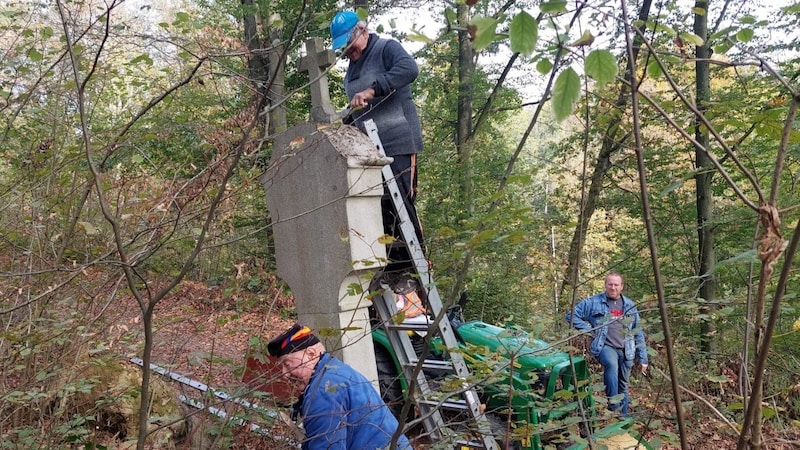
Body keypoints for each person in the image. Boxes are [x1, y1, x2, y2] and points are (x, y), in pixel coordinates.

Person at [330, 10, 424, 271]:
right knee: (378, 212)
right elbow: (359, 109)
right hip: (369, 149)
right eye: (344, 49)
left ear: (362, 31)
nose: (348, 52)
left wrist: (372, 90)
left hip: (399, 143)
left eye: (349, 45)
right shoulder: (351, 68)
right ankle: (389, 277)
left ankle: (412, 276)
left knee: (401, 208)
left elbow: (409, 69)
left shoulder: (387, 48)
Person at [267, 323, 413, 450]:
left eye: (287, 364)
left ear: (311, 354)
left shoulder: (324, 392)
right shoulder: (334, 369)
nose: (284, 374)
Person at [565, 272, 648, 416]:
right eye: (610, 284)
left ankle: (622, 419)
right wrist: (590, 330)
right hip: (605, 346)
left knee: (623, 385)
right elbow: (571, 315)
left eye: (616, 285)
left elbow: (637, 331)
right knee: (611, 364)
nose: (613, 288)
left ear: (621, 287)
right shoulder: (593, 302)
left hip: (627, 349)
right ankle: (613, 406)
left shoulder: (629, 305)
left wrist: (643, 359)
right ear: (605, 285)